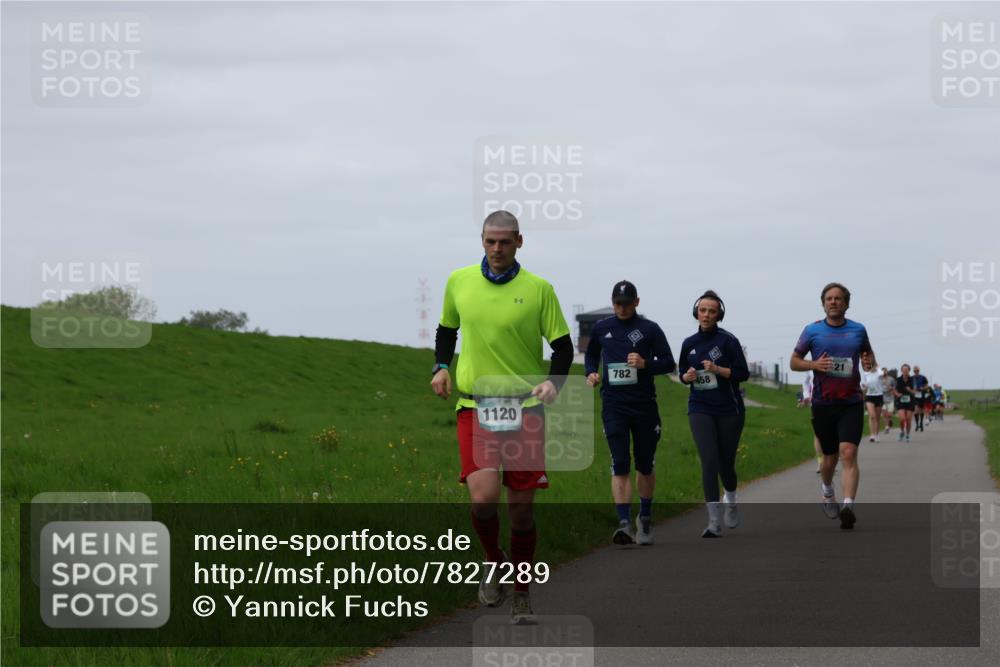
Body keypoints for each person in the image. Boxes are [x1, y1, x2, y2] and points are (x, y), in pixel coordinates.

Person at [431, 210, 573, 624]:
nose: (497, 249)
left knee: (522, 511)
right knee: (483, 497)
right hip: (475, 406)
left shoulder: (539, 288)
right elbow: (446, 329)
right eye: (490, 242)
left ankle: (523, 594)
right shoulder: (458, 281)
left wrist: (554, 384)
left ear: (519, 242)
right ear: (481, 241)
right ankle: (495, 559)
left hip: (524, 409)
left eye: (505, 242)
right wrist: (440, 366)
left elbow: (563, 347)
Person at [585, 280, 676, 545]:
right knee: (620, 462)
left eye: (626, 303)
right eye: (617, 303)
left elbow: (669, 363)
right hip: (614, 405)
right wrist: (590, 372)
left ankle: (645, 516)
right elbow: (591, 356)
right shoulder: (602, 328)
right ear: (612, 303)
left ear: (636, 302)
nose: (621, 308)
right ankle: (624, 523)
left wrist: (645, 363)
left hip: (644, 405)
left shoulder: (650, 329)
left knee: (645, 463)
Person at [791, 282, 876, 530]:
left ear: (846, 303)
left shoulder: (858, 330)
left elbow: (868, 357)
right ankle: (828, 490)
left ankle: (848, 506)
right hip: (823, 403)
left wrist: (868, 362)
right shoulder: (812, 331)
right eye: (829, 298)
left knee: (848, 453)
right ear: (823, 303)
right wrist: (814, 365)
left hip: (851, 402)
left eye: (838, 298)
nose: (833, 302)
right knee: (829, 458)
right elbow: (795, 362)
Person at [678, 290, 750, 538]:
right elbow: (682, 373)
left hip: (729, 409)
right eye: (703, 310)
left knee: (725, 464)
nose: (707, 315)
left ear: (719, 314)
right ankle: (713, 521)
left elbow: (743, 373)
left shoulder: (728, 341)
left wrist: (718, 369)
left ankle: (731, 499)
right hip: (700, 407)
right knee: (709, 461)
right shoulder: (689, 343)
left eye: (712, 311)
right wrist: (686, 377)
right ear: (696, 312)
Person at [860, 364, 885, 442]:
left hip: (879, 396)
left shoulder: (879, 373)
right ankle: (872, 435)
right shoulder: (866, 374)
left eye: (872, 365)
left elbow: (882, 373)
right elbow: (862, 384)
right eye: (869, 365)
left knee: (877, 417)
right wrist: (864, 386)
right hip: (870, 396)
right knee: (872, 416)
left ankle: (876, 434)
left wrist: (878, 366)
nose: (870, 366)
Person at [893, 364, 916, 442]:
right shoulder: (898, 380)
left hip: (910, 401)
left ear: (909, 371)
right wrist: (897, 394)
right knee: (902, 419)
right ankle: (902, 431)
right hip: (901, 401)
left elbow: (915, 391)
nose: (905, 372)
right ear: (901, 371)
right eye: (904, 370)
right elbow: (894, 389)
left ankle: (907, 435)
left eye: (907, 370)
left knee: (908, 419)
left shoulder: (912, 380)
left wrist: (910, 390)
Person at [912, 365, 929, 432]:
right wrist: (912, 390)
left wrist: (923, 388)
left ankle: (921, 423)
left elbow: (927, 386)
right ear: (913, 371)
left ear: (919, 371)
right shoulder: (912, 378)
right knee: (916, 410)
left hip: (921, 395)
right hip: (914, 395)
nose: (916, 372)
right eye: (915, 371)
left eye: (917, 370)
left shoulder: (923, 377)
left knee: (921, 410)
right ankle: (917, 424)